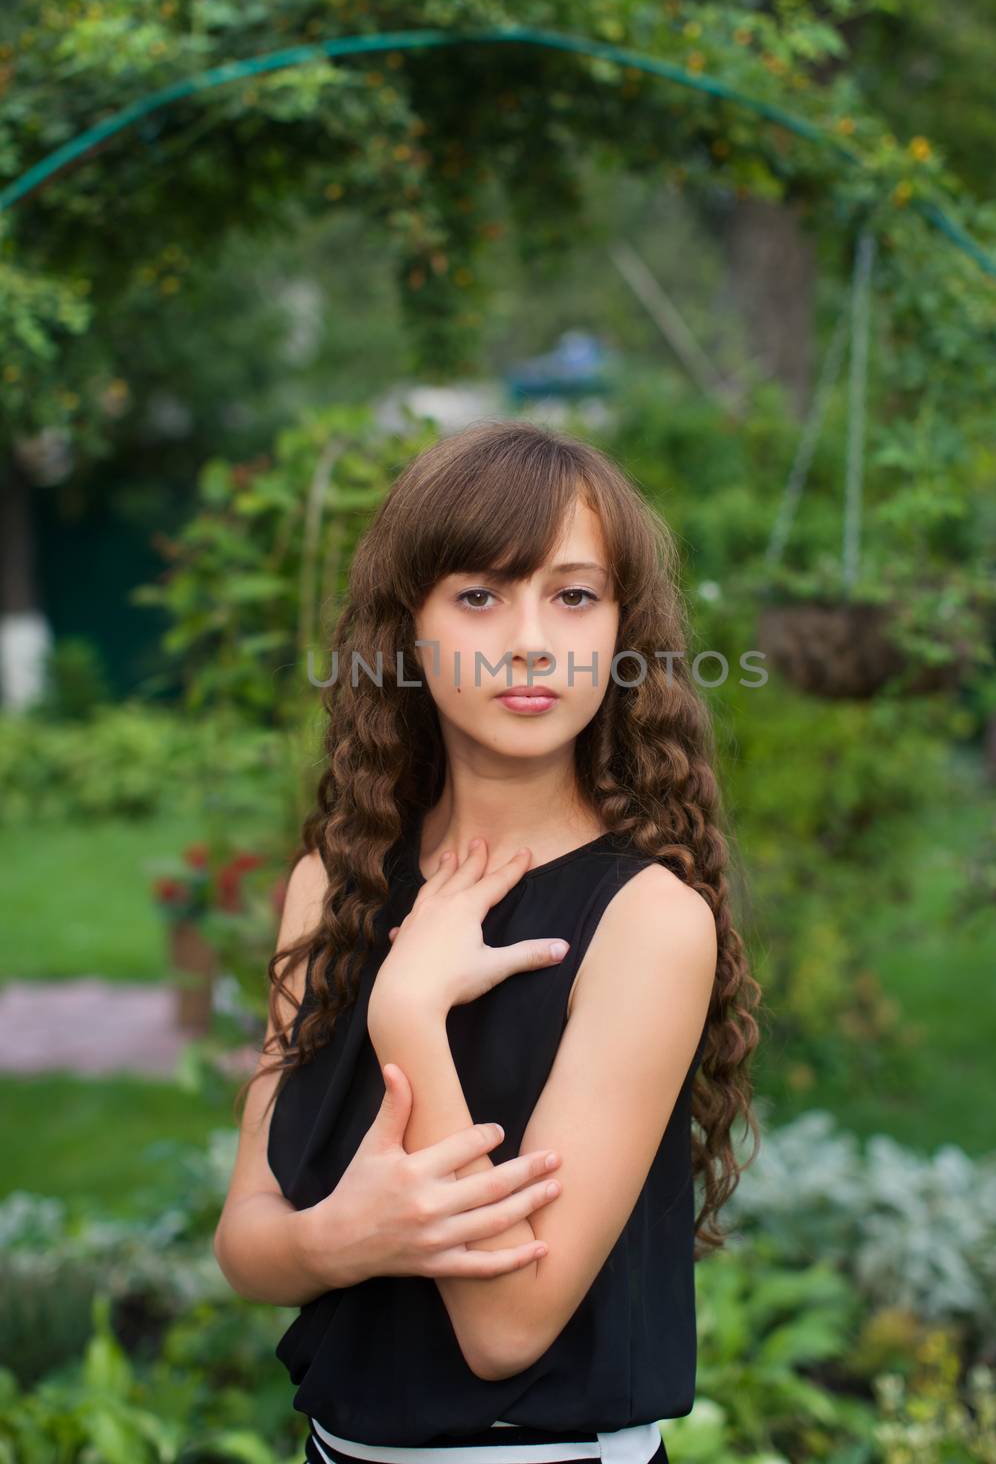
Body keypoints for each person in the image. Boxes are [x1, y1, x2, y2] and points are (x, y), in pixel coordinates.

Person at [214, 418, 762, 1464]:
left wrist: (409, 1010)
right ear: (408, 632)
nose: (530, 639)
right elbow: (247, 1239)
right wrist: (341, 1236)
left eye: (572, 594)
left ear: (619, 630)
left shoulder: (646, 921)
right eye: (478, 595)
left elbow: (506, 1328)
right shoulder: (329, 886)